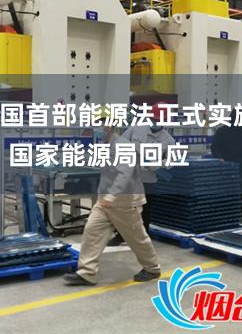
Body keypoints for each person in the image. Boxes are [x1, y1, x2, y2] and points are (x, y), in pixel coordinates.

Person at [63, 127, 162, 286]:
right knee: (92, 231)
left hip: (124, 201)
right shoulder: (104, 144)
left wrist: (112, 194)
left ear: (109, 127)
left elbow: (124, 173)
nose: (94, 129)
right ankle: (87, 273)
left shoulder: (123, 145)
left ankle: (152, 268)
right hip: (105, 201)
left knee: (136, 237)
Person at [107, 102, 176, 246]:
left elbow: (172, 160)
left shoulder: (168, 140)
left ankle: (143, 238)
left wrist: (159, 164)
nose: (155, 122)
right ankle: (121, 235)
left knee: (145, 210)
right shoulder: (136, 129)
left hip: (148, 180)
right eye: (154, 118)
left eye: (159, 119)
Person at [211, 112, 242, 225]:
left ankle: (239, 216)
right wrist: (220, 158)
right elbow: (215, 147)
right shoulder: (222, 131)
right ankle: (224, 217)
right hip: (226, 167)